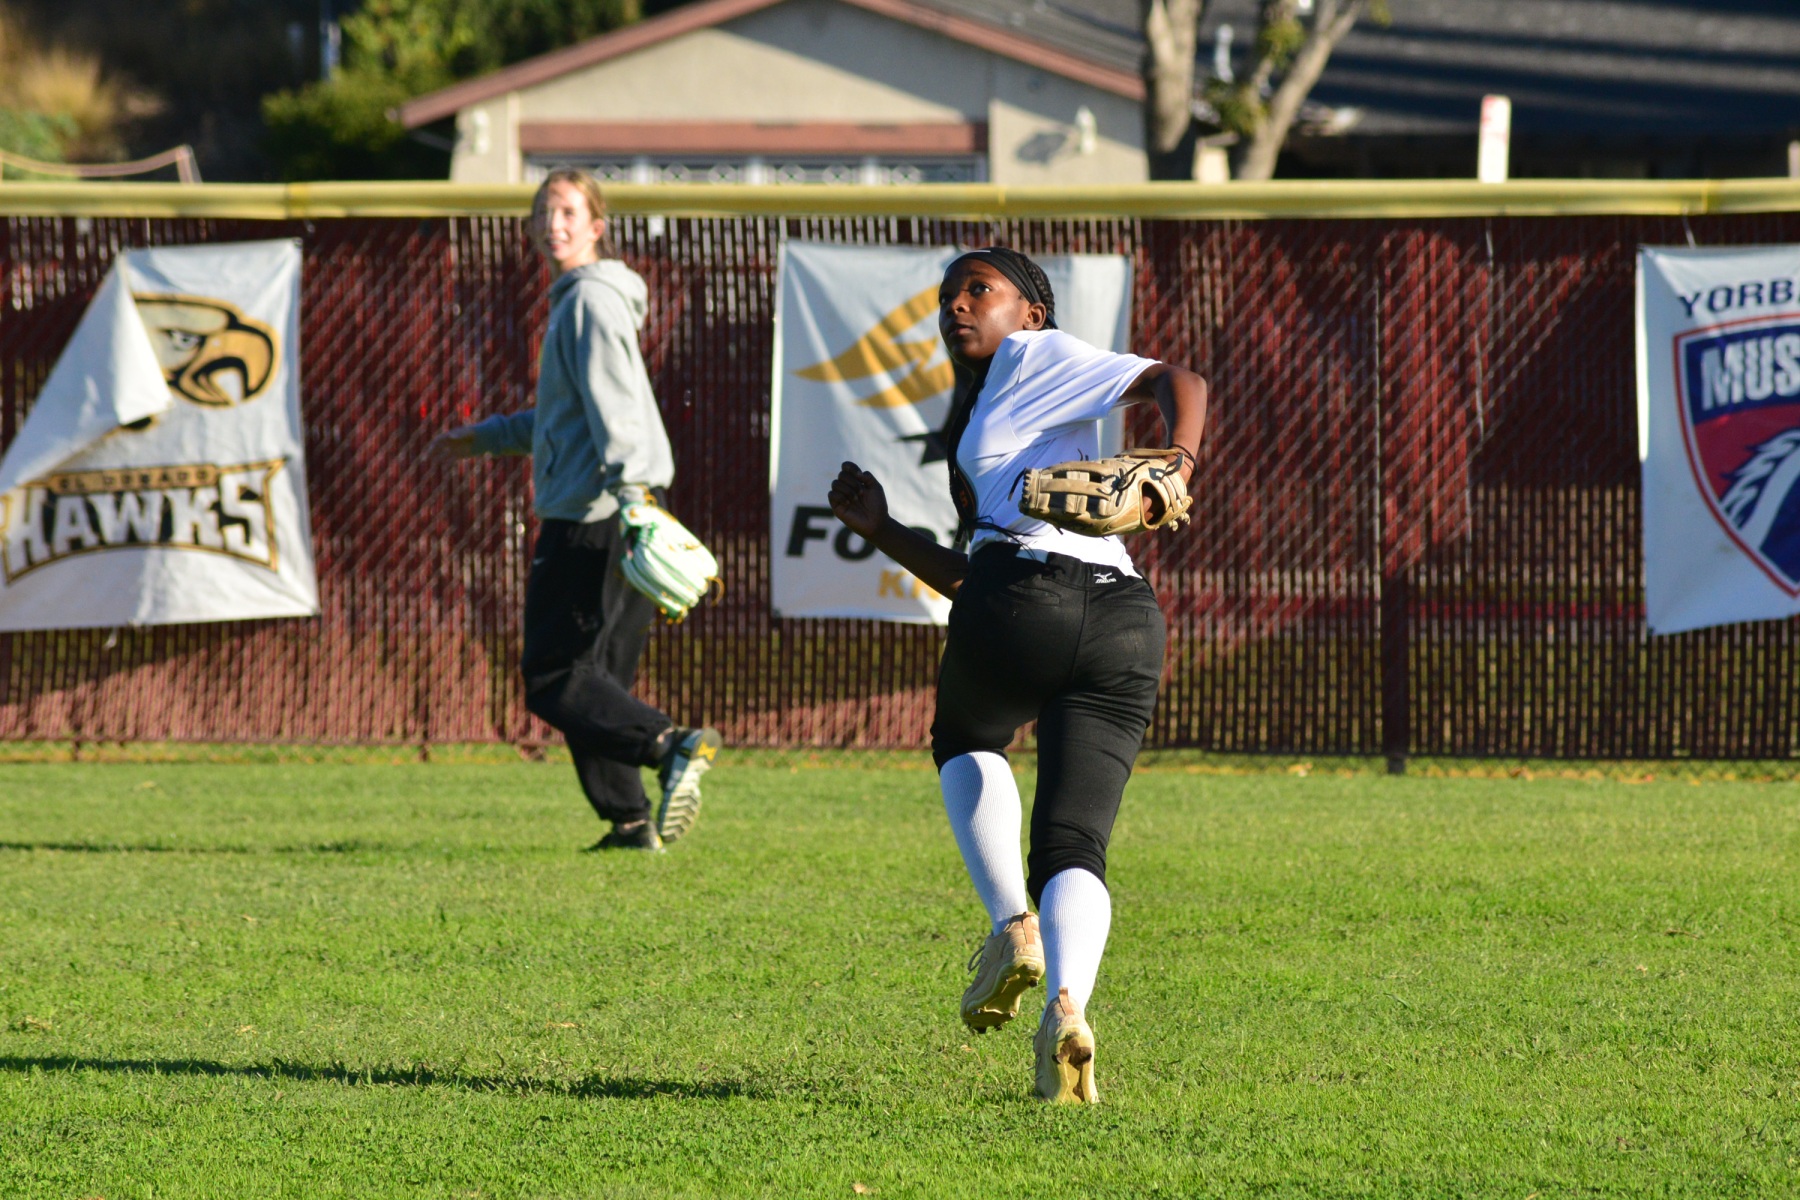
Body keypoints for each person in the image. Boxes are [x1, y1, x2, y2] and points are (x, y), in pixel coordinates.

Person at [828, 247, 1206, 1103]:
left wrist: (1178, 465)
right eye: (947, 296)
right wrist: (883, 529)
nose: (956, 306)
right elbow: (974, 574)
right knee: (1074, 844)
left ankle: (1013, 928)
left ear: (1032, 312)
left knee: (966, 734)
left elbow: (1178, 379)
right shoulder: (998, 405)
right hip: (1125, 619)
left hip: (1024, 600)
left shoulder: (1032, 355)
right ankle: (1068, 1007)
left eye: (979, 290)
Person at [433, 168, 721, 853]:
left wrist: (632, 497)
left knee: (553, 675)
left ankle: (670, 746)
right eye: (543, 211)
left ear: (596, 226)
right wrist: (489, 436)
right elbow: (569, 415)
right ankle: (630, 823)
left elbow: (615, 402)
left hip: (598, 511)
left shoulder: (590, 298)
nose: (551, 223)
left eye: (566, 211)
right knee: (598, 681)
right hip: (617, 501)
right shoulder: (582, 300)